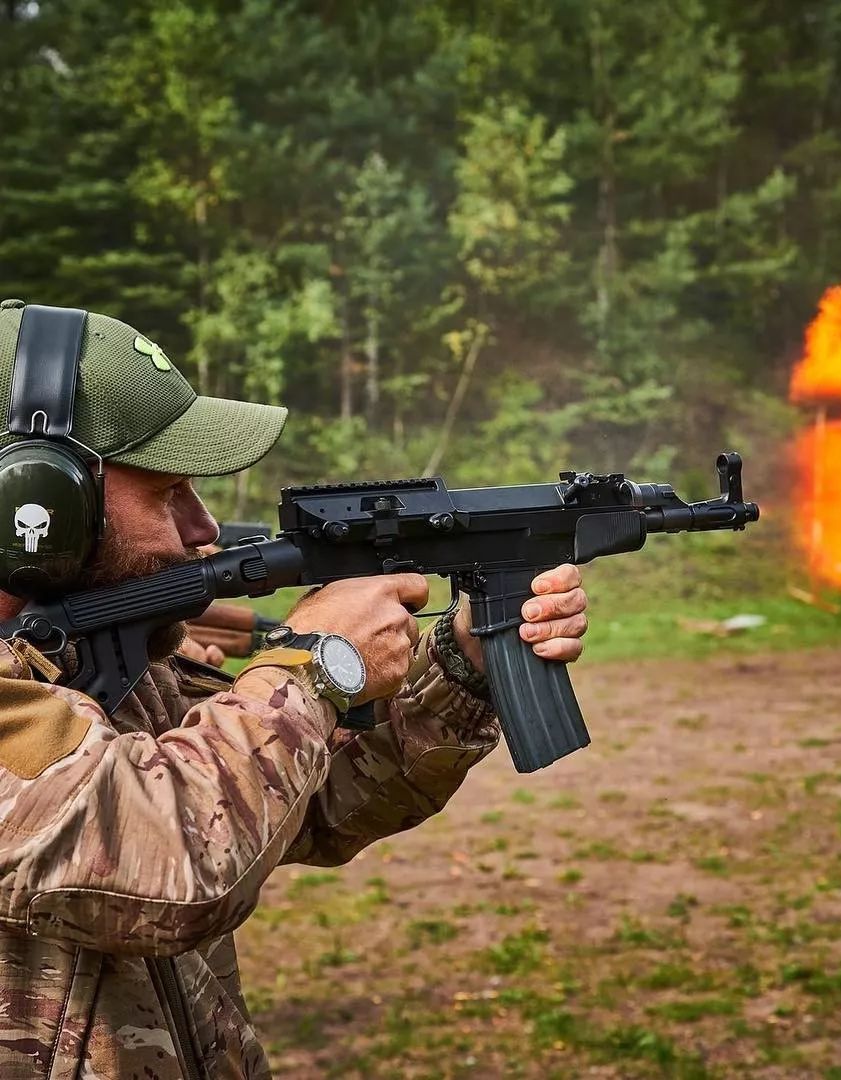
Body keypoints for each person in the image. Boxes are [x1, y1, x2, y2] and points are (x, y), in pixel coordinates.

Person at [0, 301, 589, 1079]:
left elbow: (303, 805)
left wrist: (465, 661)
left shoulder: (81, 660)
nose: (205, 526)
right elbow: (174, 864)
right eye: (170, 491)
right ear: (35, 505)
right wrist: (318, 665)